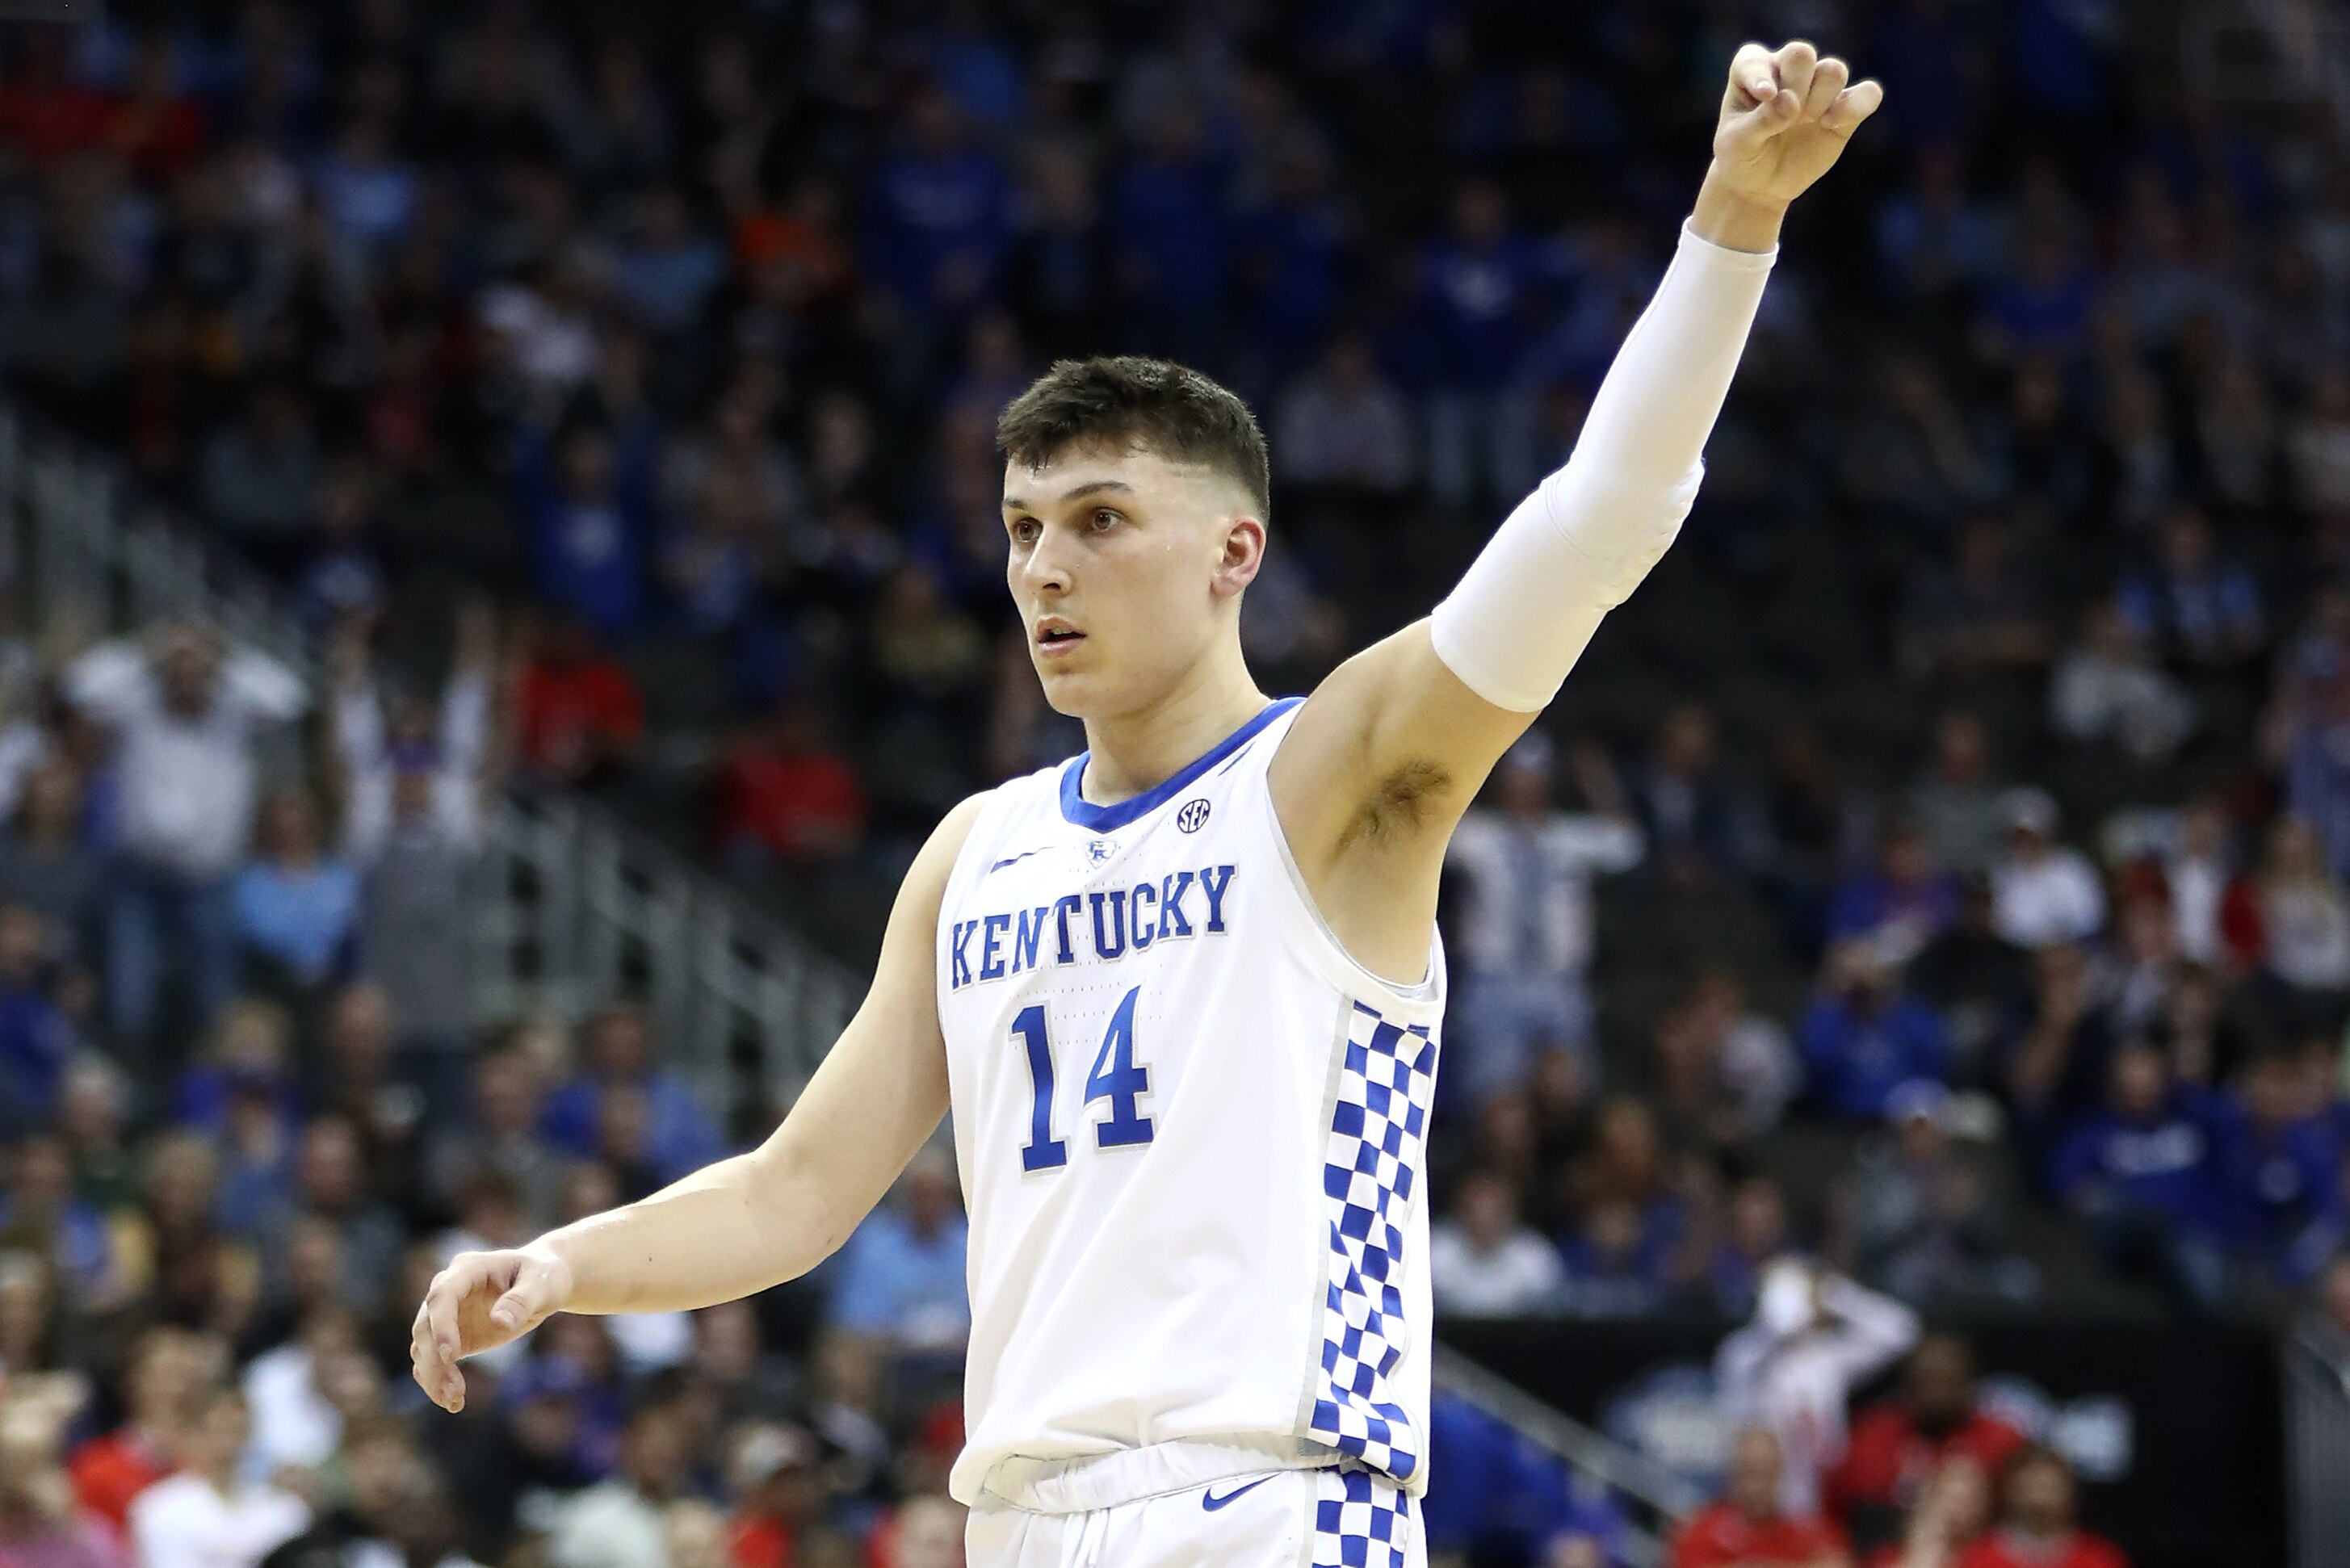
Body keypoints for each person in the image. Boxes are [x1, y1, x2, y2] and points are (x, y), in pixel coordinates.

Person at [410, 44, 1885, 1568]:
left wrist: (1732, 225)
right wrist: (563, 1264)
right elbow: (793, 1190)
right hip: (1019, 1521)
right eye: (1020, 528)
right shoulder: (973, 853)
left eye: (1100, 520)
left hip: (1269, 1500)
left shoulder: (1329, 778)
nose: (1044, 568)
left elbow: (1598, 518)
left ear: (1234, 551)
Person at [1443, 732, 1643, 1104]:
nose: (1525, 789)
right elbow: (1437, 830)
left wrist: (1597, 781)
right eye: (1517, 778)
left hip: (1559, 983)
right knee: (1493, 1093)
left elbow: (1627, 846)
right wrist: (1471, 763)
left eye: (1534, 779)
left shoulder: (1570, 836)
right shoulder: (1480, 834)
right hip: (1494, 981)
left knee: (1571, 1094)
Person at [1714, 1261, 1921, 1518]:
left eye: (1796, 1294)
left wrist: (1833, 1293)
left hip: (1825, 1492)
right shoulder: (1744, 1354)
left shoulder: (1827, 1358)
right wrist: (1774, 1316)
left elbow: (1902, 1330)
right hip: (1763, 1491)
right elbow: (1758, 1348)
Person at [1825, 1336, 2025, 1548]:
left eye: (1947, 1380)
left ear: (1969, 1383)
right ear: (1906, 1385)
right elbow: (1839, 1509)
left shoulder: (2001, 1441)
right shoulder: (1873, 1435)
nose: (1936, 1391)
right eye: (1926, 1380)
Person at [126, 1386, 310, 1568]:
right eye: (220, 1430)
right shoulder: (160, 1508)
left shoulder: (286, 1511)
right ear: (195, 1432)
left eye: (237, 1430)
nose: (228, 1442)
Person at [1668, 1427, 1849, 1568]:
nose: (1759, 1487)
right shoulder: (1702, 1531)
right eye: (1749, 1474)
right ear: (1732, 1477)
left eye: (1767, 1473)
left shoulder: (1811, 1530)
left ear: (1781, 1474)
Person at [1954, 1447, 2126, 1568]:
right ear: (2009, 1491)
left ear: (2071, 1494)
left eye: (2050, 1487)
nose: (2040, 1498)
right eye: (2031, 1486)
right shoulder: (1978, 1557)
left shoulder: (2101, 1559)